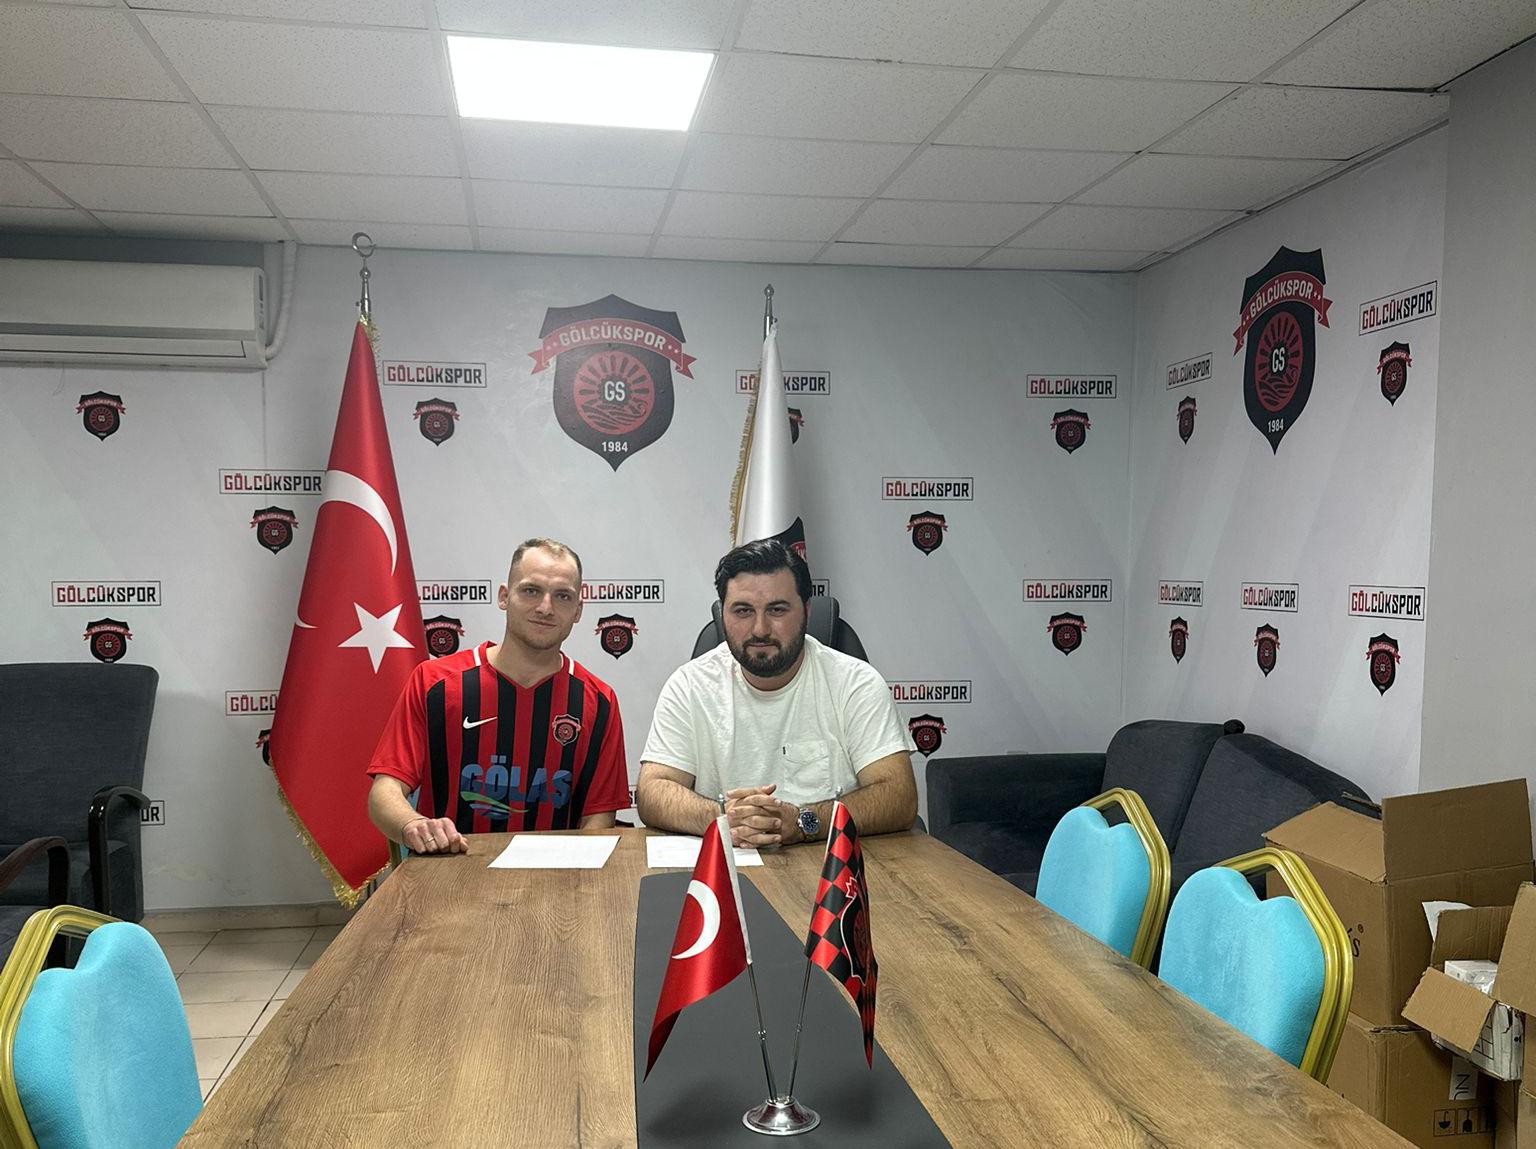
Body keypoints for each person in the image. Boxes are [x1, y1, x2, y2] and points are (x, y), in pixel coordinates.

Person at [637, 538, 918, 848]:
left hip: (830, 865)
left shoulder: (856, 683)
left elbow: (899, 796)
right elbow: (652, 791)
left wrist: (803, 821)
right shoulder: (689, 684)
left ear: (806, 611)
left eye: (777, 610)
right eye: (743, 611)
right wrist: (727, 818)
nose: (760, 629)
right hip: (726, 867)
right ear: (723, 614)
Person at [367, 537, 629, 854]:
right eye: (531, 590)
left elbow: (598, 818)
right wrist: (413, 824)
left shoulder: (599, 701)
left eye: (562, 596)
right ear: (504, 597)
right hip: (448, 870)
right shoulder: (435, 683)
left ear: (578, 610)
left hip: (555, 877)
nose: (545, 608)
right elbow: (385, 790)